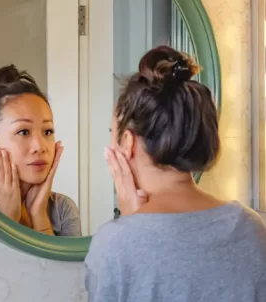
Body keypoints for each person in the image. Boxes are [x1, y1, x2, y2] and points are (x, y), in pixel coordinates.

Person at [85, 45, 266, 301]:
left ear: (127, 142)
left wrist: (130, 225)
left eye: (112, 133)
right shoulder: (252, 228)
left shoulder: (115, 246)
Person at [0, 65, 82, 236]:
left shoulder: (62, 209)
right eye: (23, 132)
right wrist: (8, 221)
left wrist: (39, 217)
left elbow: (56, 265)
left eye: (47, 131)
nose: (40, 147)